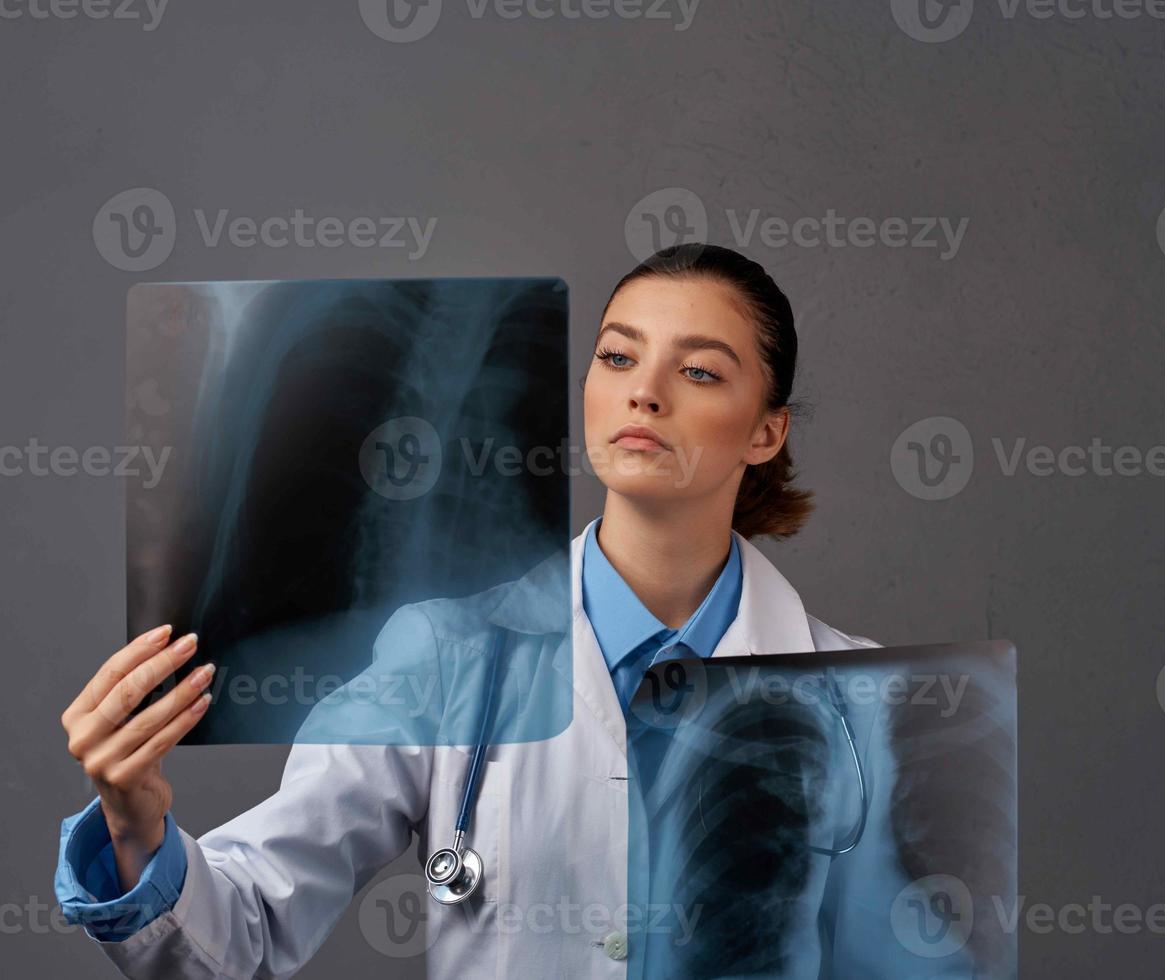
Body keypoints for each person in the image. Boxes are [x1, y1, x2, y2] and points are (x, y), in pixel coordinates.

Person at [54, 243, 888, 979]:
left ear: (765, 433)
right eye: (617, 358)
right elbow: (241, 932)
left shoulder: (865, 702)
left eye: (699, 370)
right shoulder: (447, 658)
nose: (645, 394)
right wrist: (136, 821)